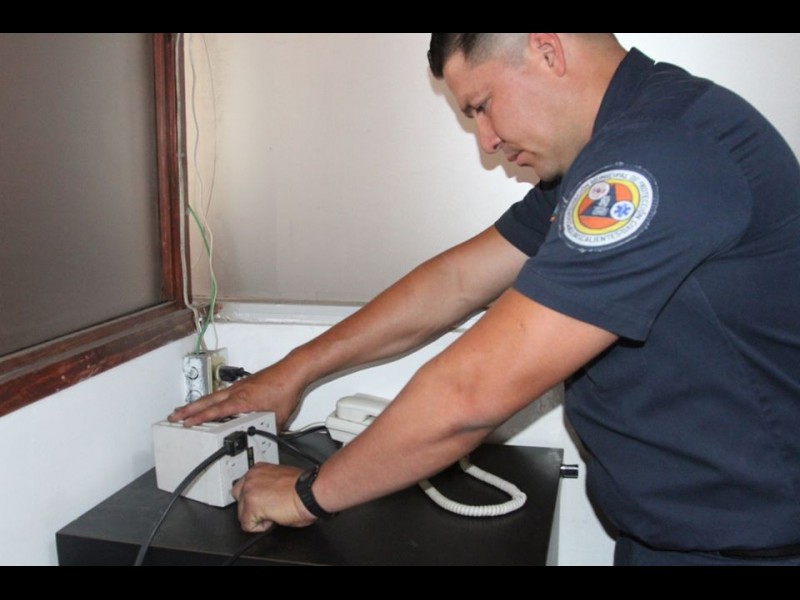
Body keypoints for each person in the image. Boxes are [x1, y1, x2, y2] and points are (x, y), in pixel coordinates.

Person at [170, 33, 800, 565]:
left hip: (746, 548)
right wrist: (295, 371)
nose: (487, 140)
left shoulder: (659, 156)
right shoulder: (614, 150)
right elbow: (456, 283)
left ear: (547, 50)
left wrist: (306, 495)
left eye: (483, 106)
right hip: (681, 536)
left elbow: (470, 397)